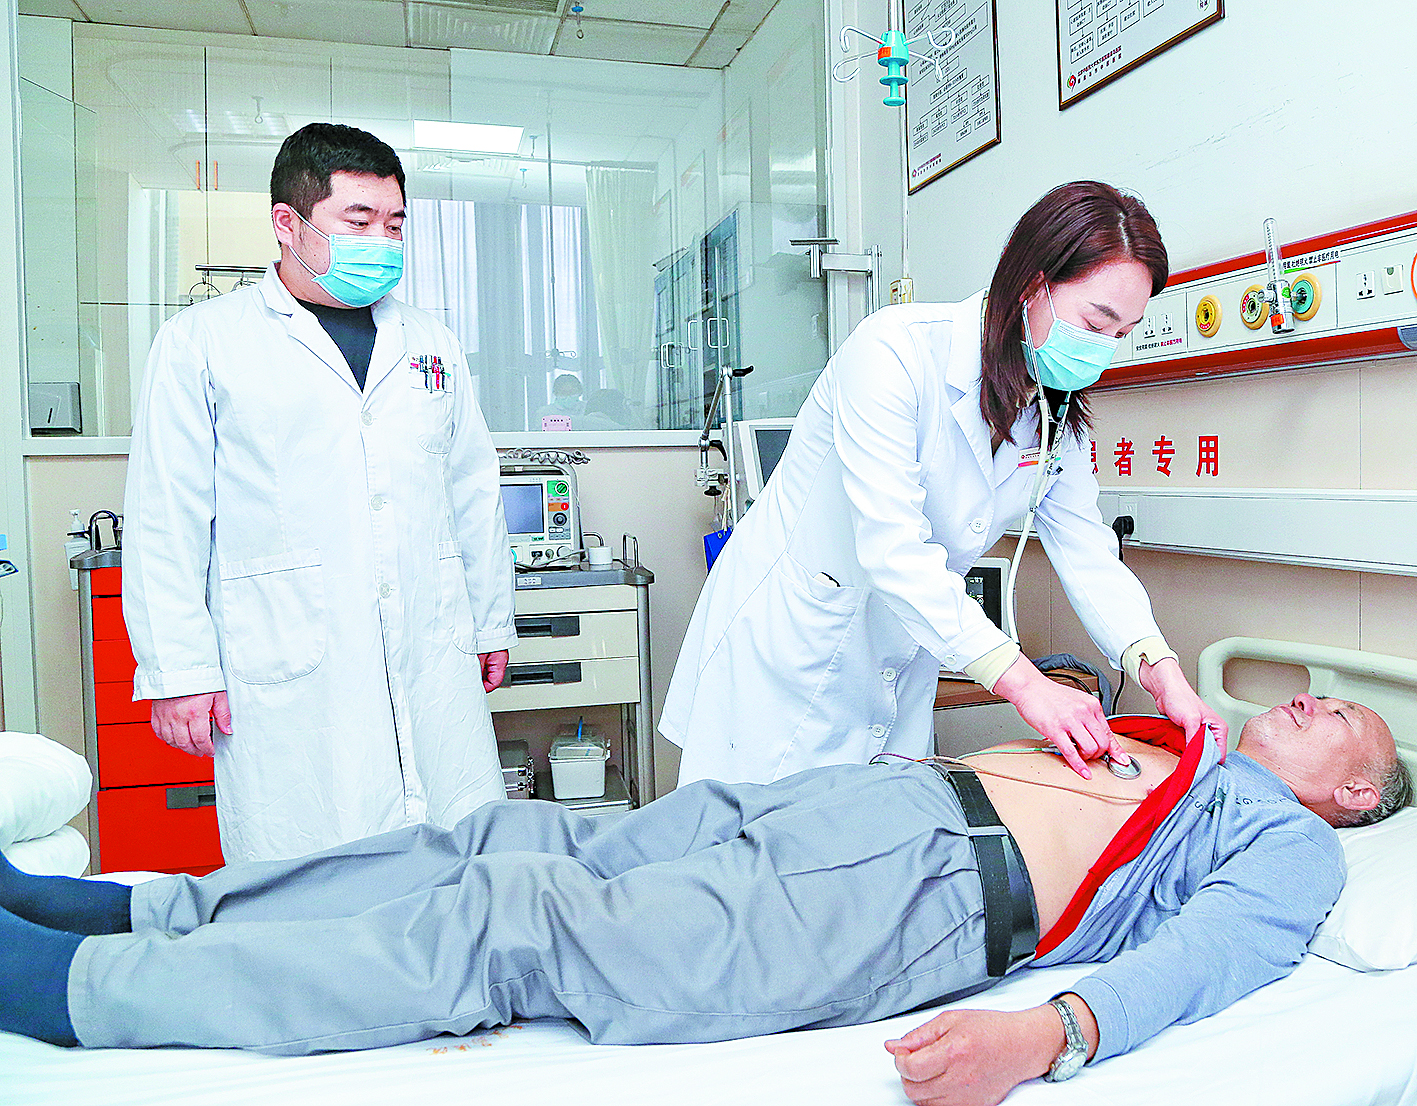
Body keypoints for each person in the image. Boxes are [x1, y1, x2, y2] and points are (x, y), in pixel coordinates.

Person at [0, 692, 1408, 1102]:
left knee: (518, 924)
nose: (1308, 699)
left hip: (918, 888)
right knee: (499, 838)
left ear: (1355, 794)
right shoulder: (1186, 737)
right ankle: (138, 912)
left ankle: (73, 992)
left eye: (1341, 715)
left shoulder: (1290, 846)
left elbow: (1202, 961)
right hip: (854, 804)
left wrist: (1048, 1033)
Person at [663, 181, 1227, 788]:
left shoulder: (1052, 412)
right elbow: (894, 547)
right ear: (1033, 284)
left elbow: (1089, 553)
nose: (1103, 349)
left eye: (1122, 334)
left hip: (899, 663)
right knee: (744, 836)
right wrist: (1025, 683)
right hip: (787, 657)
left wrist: (1160, 669)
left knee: (870, 833)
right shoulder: (894, 352)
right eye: (1096, 322)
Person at [122, 123, 516, 863]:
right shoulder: (204, 341)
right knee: (309, 873)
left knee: (455, 861)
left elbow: (471, 489)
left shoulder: (430, 342)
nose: (382, 242)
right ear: (287, 222)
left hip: (431, 645)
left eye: (394, 224)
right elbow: (164, 516)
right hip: (288, 659)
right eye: (358, 221)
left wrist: (490, 620)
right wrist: (180, 672)